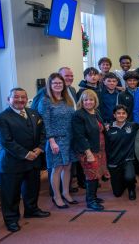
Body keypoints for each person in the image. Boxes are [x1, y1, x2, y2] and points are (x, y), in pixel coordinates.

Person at [0, 88, 50, 232]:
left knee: (32, 188)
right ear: (9, 99)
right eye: (16, 97)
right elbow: (6, 141)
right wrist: (25, 154)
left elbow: (43, 133)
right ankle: (11, 219)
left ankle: (31, 210)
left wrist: (40, 148)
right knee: (11, 193)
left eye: (23, 97)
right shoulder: (1, 118)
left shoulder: (33, 113)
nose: (20, 100)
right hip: (13, 162)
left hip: (34, 159)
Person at [38, 73, 78, 209]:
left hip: (70, 139)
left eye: (60, 83)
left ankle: (66, 193)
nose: (58, 85)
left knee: (68, 167)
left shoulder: (67, 99)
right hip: (56, 140)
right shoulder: (46, 100)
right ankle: (57, 196)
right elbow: (45, 123)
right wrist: (51, 141)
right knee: (57, 168)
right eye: (55, 83)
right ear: (50, 85)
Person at [72, 89, 110, 211]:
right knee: (91, 174)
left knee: (97, 173)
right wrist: (88, 153)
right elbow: (79, 136)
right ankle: (91, 201)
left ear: (95, 101)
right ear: (82, 101)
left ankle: (93, 196)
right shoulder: (79, 114)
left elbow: (99, 127)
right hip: (87, 150)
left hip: (100, 148)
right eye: (86, 100)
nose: (88, 102)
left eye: (91, 99)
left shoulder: (96, 112)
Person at [105, 105, 139, 200]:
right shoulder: (108, 129)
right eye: (118, 113)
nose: (121, 115)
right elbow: (105, 147)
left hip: (128, 159)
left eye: (123, 113)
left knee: (130, 177)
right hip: (114, 162)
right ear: (114, 115)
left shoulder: (133, 126)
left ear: (127, 115)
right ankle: (124, 181)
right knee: (117, 193)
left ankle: (131, 188)